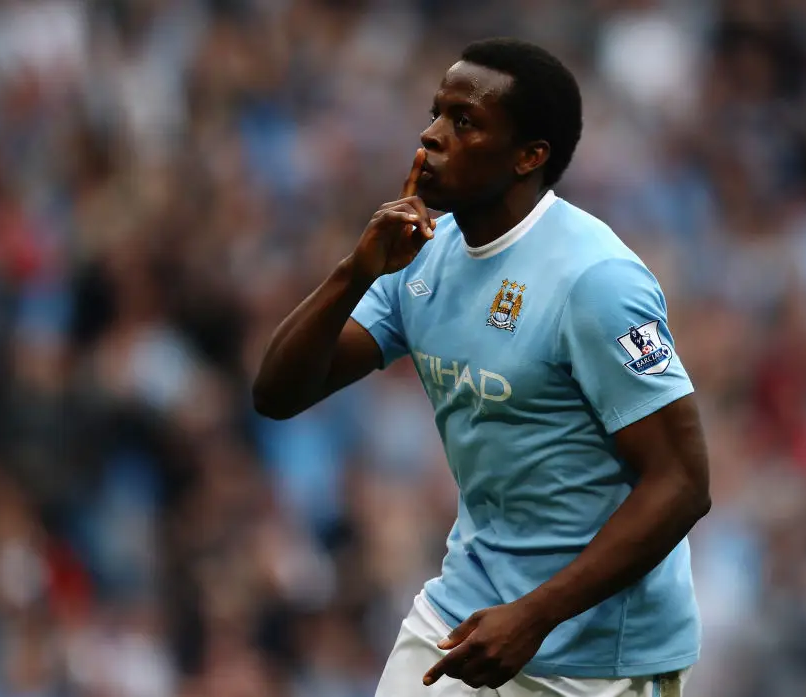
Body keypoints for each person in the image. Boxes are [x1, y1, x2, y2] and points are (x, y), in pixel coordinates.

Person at [253, 37, 711, 697]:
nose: (431, 135)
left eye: (464, 122)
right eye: (436, 113)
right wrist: (355, 273)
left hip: (599, 652)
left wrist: (535, 615)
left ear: (529, 156)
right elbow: (276, 393)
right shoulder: (419, 256)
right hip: (464, 611)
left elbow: (682, 483)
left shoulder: (596, 281)